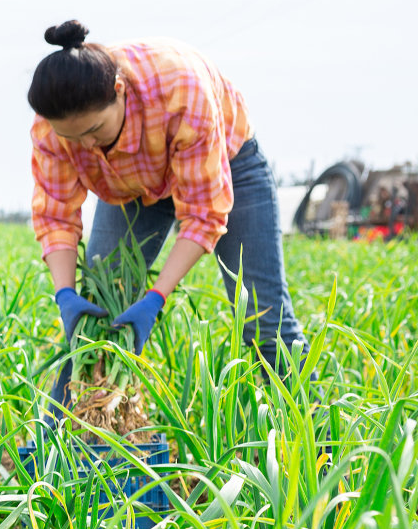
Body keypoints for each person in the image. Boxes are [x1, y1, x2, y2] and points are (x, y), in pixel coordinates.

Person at [29, 20, 304, 398]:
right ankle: (70, 436)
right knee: (98, 310)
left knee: (263, 319)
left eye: (95, 130)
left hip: (228, 165)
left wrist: (155, 300)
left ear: (119, 92)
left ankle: (313, 439)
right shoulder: (51, 128)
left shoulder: (181, 90)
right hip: (134, 187)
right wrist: (65, 294)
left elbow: (203, 215)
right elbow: (56, 215)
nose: (87, 145)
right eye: (72, 137)